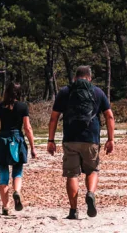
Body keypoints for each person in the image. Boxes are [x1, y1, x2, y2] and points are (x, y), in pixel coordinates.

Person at [47, 65, 115, 220]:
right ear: (89, 77)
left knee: (72, 174)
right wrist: (111, 139)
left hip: (70, 138)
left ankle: (73, 210)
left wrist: (51, 140)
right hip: (91, 138)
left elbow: (54, 118)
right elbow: (109, 116)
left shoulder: (65, 92)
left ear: (75, 77)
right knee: (92, 170)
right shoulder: (98, 92)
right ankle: (90, 193)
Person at [0, 82, 37, 215]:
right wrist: (32, 147)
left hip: (3, 140)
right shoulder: (23, 107)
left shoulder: (0, 107)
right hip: (18, 140)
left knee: (3, 174)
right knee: (17, 170)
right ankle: (17, 192)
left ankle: (5, 207)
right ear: (19, 93)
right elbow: (27, 128)